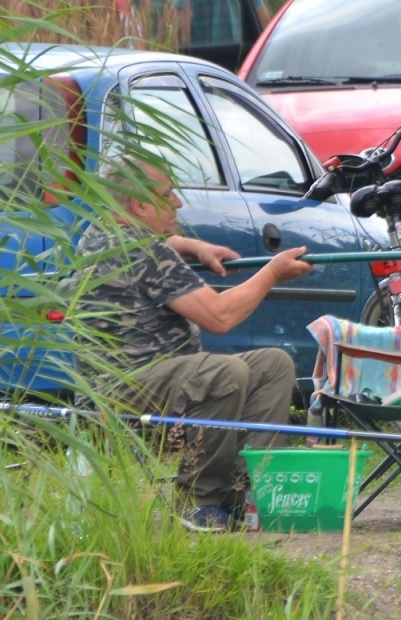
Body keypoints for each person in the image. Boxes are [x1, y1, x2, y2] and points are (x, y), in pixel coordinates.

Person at [75, 156, 313, 531]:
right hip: (120, 394)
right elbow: (219, 317)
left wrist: (191, 245)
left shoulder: (99, 234)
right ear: (138, 205)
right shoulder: (143, 250)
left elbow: (158, 240)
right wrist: (273, 272)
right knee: (222, 371)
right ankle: (198, 502)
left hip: (144, 383)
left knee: (273, 364)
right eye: (167, 194)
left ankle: (243, 492)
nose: (177, 203)